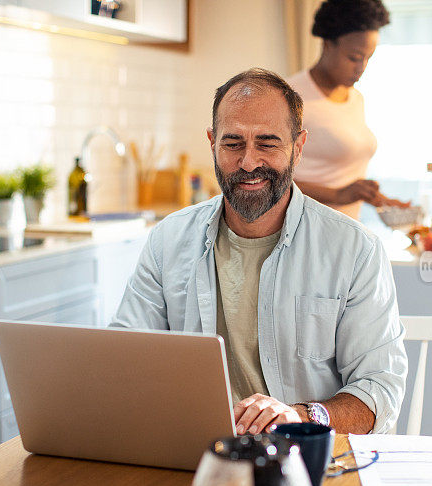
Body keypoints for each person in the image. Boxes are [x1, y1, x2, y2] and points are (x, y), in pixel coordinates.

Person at [110, 68, 407, 435]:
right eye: (233, 143)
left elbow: (379, 391)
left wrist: (298, 417)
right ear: (212, 143)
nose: (249, 162)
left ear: (298, 147)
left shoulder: (355, 250)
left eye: (267, 143)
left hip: (308, 464)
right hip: (197, 455)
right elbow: (123, 361)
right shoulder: (167, 240)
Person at [287, 0, 409, 220]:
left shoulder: (356, 99)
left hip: (346, 233)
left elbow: (342, 176)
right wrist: (338, 194)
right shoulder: (289, 97)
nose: (361, 68)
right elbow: (267, 182)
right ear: (327, 44)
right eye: (354, 57)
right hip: (302, 232)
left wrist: (380, 200)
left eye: (368, 58)